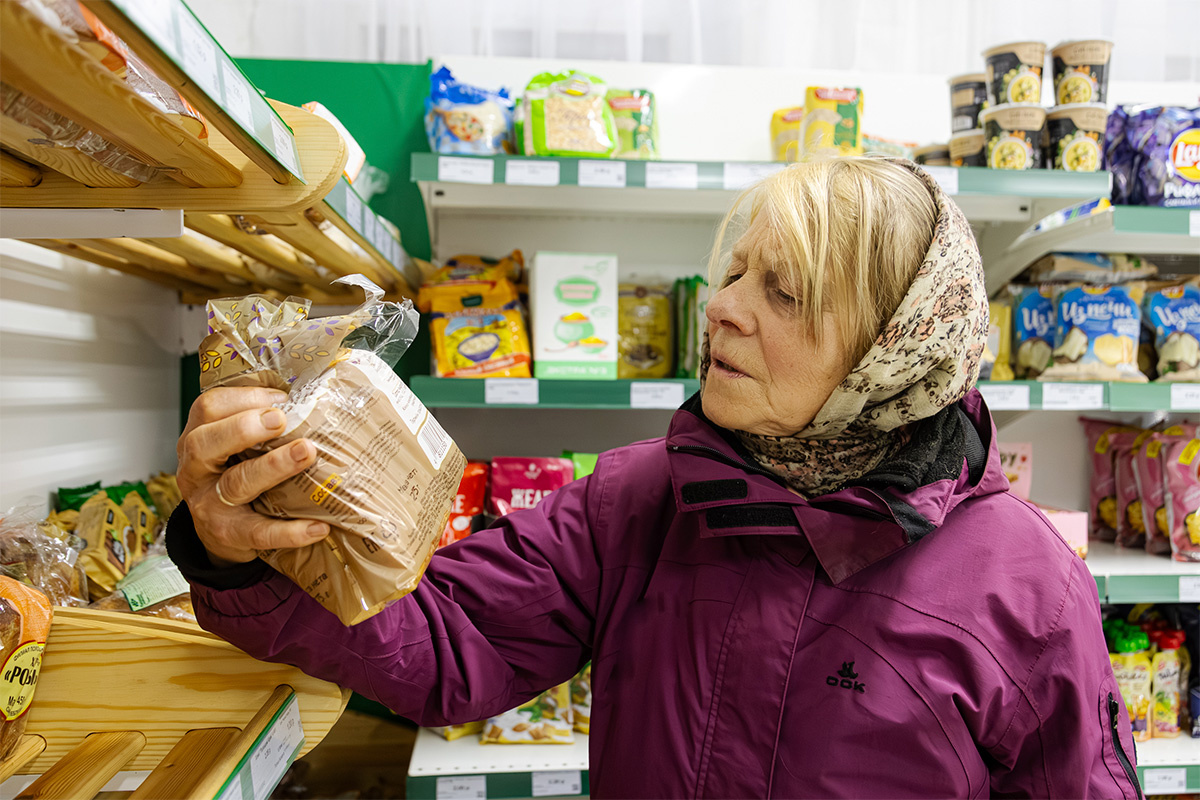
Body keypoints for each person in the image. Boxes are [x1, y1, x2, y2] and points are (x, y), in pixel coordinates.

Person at [168, 158, 1142, 799]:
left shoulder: (1027, 586)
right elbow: (447, 643)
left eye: (783, 291)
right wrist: (241, 548)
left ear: (894, 349)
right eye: (735, 272)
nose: (722, 308)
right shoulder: (640, 500)